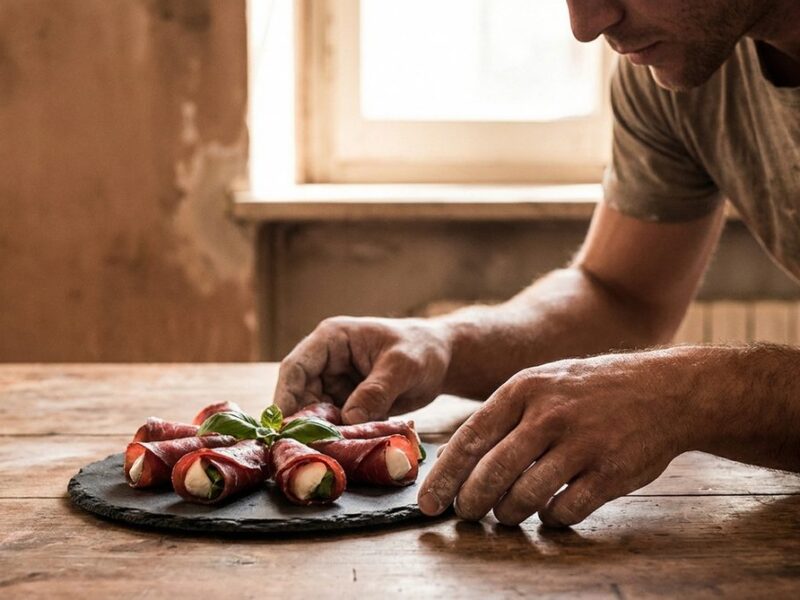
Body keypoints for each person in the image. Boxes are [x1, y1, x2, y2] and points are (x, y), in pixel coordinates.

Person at [273, 0, 800, 528]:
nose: (586, 26)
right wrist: (445, 344)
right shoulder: (675, 65)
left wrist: (688, 394)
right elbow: (620, 295)